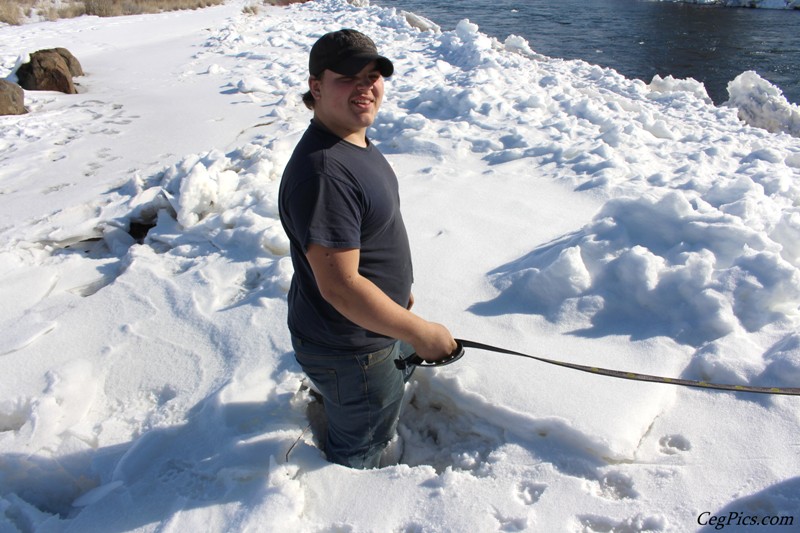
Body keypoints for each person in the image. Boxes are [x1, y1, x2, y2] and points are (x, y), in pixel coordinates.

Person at [278, 29, 457, 469]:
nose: (366, 87)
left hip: (364, 331)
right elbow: (341, 287)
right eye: (348, 77)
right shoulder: (325, 173)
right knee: (364, 440)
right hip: (352, 349)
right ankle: (352, 493)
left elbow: (364, 238)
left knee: (370, 400)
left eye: (373, 75)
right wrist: (419, 331)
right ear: (316, 86)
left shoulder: (349, 142)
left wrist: (397, 297)